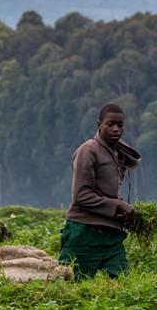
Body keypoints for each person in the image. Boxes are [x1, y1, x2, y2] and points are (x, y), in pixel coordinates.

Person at [58, 103, 142, 280]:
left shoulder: (117, 153)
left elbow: (108, 192)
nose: (116, 129)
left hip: (110, 235)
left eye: (120, 125)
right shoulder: (88, 150)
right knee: (72, 287)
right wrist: (118, 205)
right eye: (110, 124)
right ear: (99, 125)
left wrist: (121, 214)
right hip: (84, 233)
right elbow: (82, 196)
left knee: (123, 285)